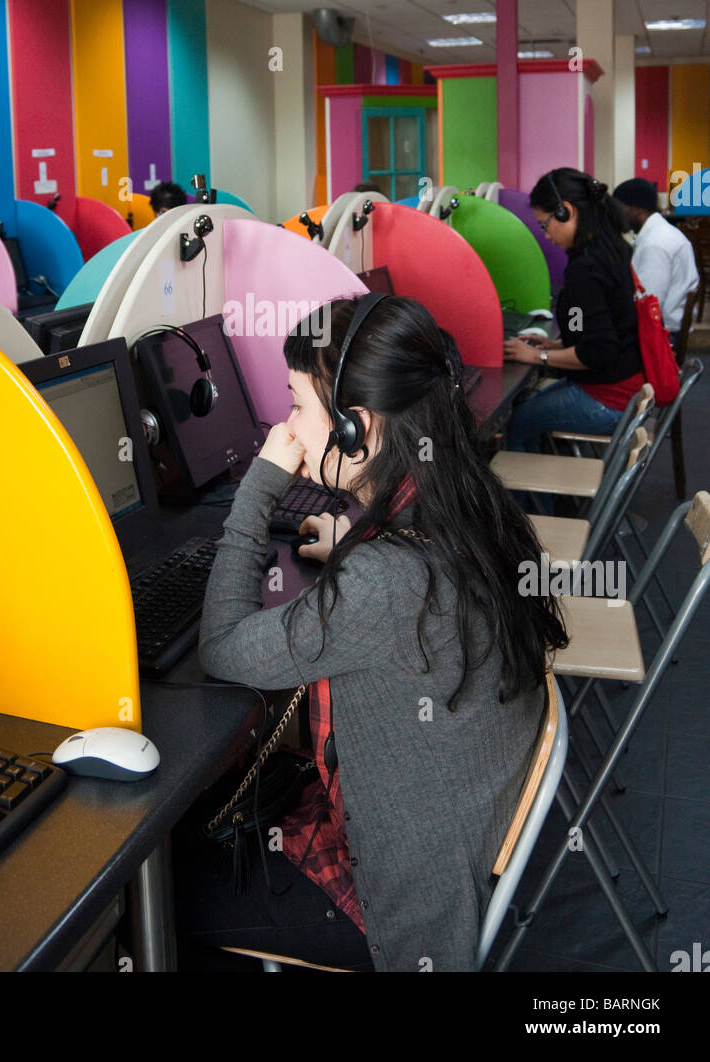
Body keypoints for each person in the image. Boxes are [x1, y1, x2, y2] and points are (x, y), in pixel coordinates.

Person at [177, 294, 567, 972]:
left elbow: (223, 646)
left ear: (356, 431)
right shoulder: (464, 500)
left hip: (400, 911)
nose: (288, 427)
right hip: (447, 837)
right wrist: (355, 539)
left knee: (165, 883)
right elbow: (397, 592)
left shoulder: (385, 581)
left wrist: (263, 483)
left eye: (297, 407)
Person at [503, 169, 645, 453]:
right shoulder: (611, 247)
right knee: (530, 408)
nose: (546, 235)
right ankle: (550, 493)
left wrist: (538, 356)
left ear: (566, 212)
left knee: (514, 424)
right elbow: (599, 325)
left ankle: (533, 497)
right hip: (627, 387)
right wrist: (556, 344)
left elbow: (597, 351)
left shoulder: (586, 268)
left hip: (607, 398)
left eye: (545, 225)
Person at [613, 177, 699, 347]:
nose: (617, 215)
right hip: (666, 326)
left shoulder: (655, 243)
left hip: (663, 334)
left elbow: (648, 302)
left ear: (637, 209)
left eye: (620, 208)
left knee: (595, 348)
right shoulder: (658, 233)